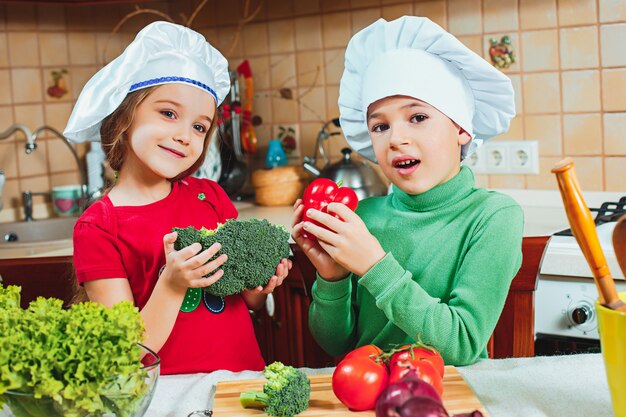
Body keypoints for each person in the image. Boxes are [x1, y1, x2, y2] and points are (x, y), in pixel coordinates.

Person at [291, 16, 523, 366]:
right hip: (365, 393)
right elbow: (336, 344)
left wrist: (373, 264)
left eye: (417, 117)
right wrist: (332, 278)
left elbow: (460, 344)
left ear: (461, 127)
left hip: (448, 395)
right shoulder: (363, 217)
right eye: (380, 125)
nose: (396, 138)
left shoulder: (493, 217)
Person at [65, 21, 290, 375]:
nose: (185, 136)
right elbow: (127, 352)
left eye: (199, 127)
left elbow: (248, 301)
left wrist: (262, 283)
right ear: (124, 116)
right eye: (169, 113)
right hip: (165, 396)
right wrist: (171, 284)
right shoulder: (98, 227)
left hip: (242, 383)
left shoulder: (211, 197)